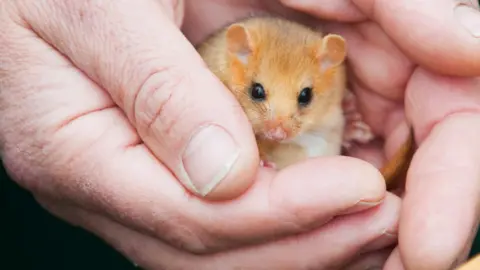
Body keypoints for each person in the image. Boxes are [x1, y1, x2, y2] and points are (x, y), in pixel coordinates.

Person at [1, 0, 480, 269]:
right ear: (241, 58)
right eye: (259, 94)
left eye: (302, 100)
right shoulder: (224, 61)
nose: (278, 120)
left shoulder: (330, 76)